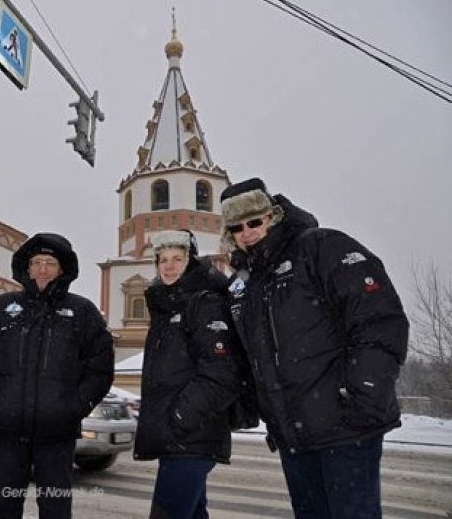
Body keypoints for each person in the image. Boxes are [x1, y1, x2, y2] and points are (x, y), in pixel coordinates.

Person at [220, 177, 409, 518]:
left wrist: (363, 393)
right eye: (236, 227)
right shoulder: (243, 284)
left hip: (346, 427)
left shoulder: (320, 247)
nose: (246, 233)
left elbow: (378, 319)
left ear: (272, 216)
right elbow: (250, 358)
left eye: (254, 222)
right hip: (293, 436)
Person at [0, 232, 114, 519]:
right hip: (8, 429)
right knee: (4, 507)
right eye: (36, 262)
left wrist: (76, 406)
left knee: (55, 507)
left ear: (62, 269)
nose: (42, 269)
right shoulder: (3, 308)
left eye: (50, 263)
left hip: (57, 432)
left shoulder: (82, 312)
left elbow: (100, 368)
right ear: (27, 267)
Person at [133, 229, 242, 519]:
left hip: (191, 436)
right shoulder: (168, 306)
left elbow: (221, 372)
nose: (169, 266)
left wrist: (180, 417)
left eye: (177, 259)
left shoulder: (205, 303)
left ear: (190, 262)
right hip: (180, 438)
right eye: (163, 260)